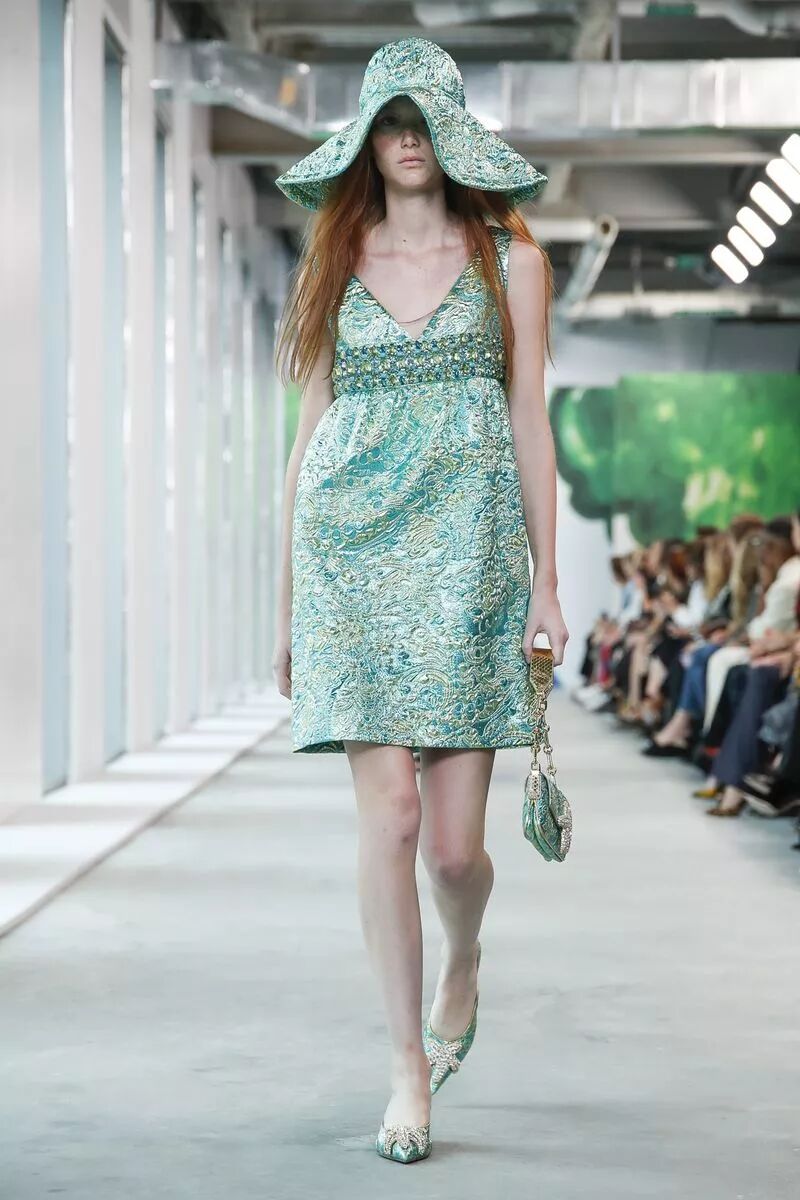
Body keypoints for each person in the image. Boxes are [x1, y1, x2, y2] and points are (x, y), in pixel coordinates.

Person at [271, 38, 568, 1164]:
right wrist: (286, 604)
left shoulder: (511, 263)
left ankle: (464, 955)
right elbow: (306, 437)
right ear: (365, 138)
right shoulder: (331, 261)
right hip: (349, 554)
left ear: (450, 132)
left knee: (451, 853)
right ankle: (406, 1070)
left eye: (421, 118)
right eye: (387, 121)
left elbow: (529, 420)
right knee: (388, 819)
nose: (405, 138)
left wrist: (547, 580)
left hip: (470, 557)